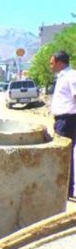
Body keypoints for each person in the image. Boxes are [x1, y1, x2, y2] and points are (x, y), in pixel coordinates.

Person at [50, 50, 76, 197]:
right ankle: (66, 190)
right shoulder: (61, 76)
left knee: (63, 154)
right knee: (64, 154)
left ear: (60, 63)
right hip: (62, 120)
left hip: (68, 120)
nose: (51, 66)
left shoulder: (71, 76)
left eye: (52, 63)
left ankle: (65, 190)